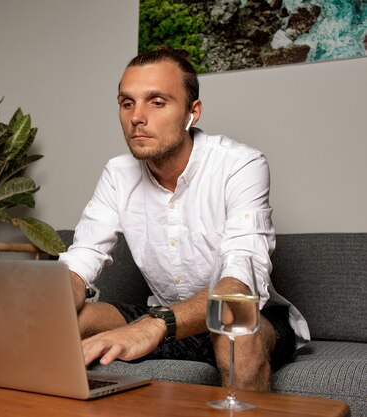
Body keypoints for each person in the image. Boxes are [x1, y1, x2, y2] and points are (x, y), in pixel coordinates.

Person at [58, 46, 309, 392]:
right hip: (166, 314)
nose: (137, 117)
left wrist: (155, 325)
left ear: (193, 112)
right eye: (127, 103)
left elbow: (239, 280)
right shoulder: (118, 174)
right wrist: (46, 306)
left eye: (157, 102)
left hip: (252, 320)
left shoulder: (240, 164)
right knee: (77, 317)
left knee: (231, 325)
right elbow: (81, 259)